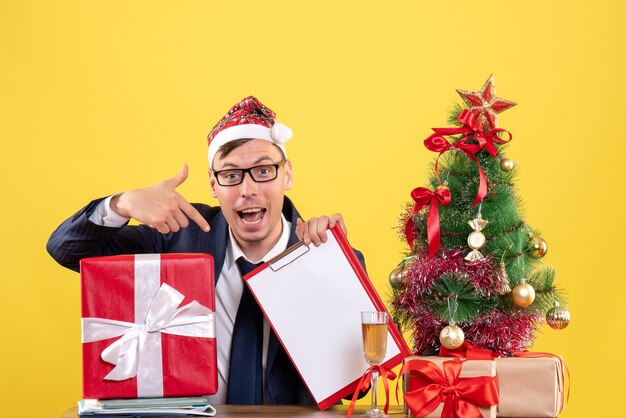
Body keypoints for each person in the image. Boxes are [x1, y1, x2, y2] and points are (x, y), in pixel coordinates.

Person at [47, 96, 365, 405]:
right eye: (230, 175)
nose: (247, 190)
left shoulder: (323, 255)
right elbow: (65, 250)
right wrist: (122, 203)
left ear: (288, 174)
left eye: (264, 170)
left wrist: (334, 271)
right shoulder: (177, 236)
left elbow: (357, 388)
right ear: (213, 185)